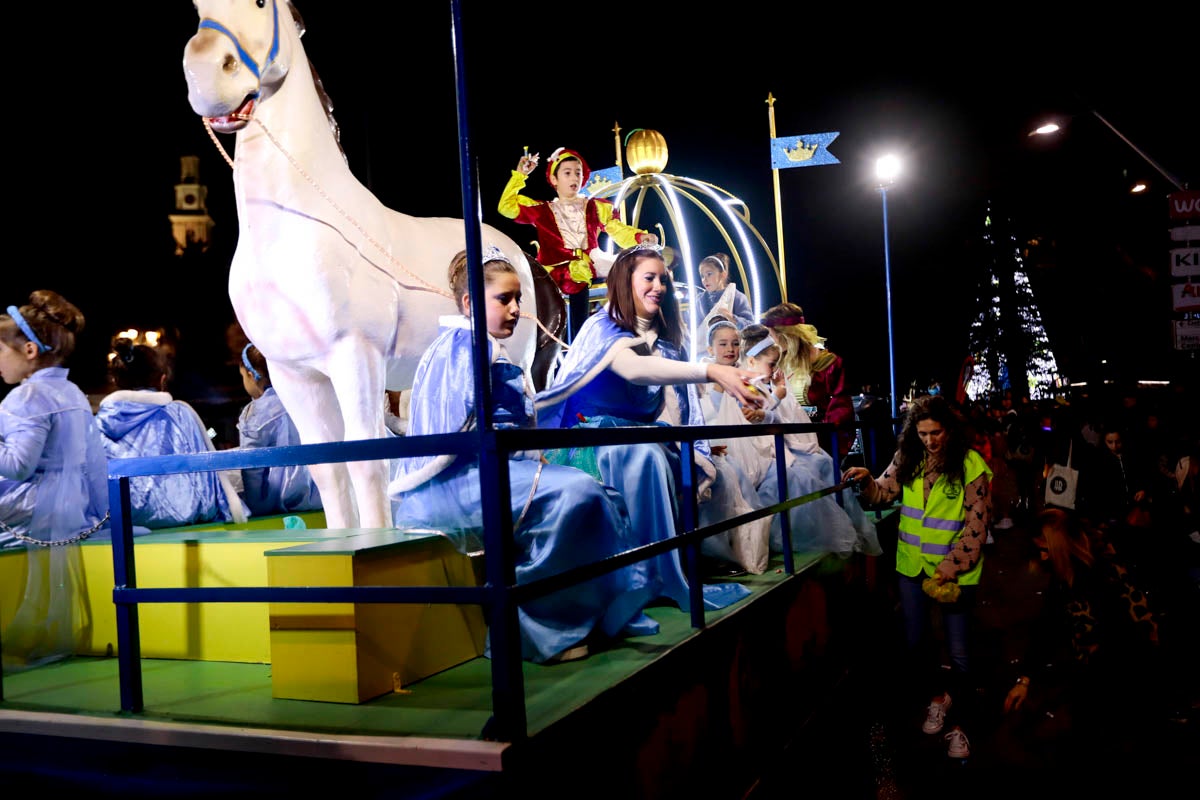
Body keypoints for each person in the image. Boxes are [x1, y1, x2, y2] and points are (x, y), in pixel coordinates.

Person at [388, 247, 650, 663]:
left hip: (493, 466)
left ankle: (587, 615)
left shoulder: (473, 345)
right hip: (464, 478)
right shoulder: (465, 347)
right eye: (503, 299)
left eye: (517, 300)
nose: (515, 310)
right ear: (471, 302)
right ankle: (535, 629)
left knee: (593, 489)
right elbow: (462, 427)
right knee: (574, 494)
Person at [534, 243, 763, 613]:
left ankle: (664, 574)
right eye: (649, 278)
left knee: (676, 459)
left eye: (663, 280)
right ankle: (633, 580)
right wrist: (710, 369)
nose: (659, 286)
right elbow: (634, 371)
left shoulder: (667, 343)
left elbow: (674, 409)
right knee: (646, 458)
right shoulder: (601, 326)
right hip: (590, 442)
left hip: (637, 438)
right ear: (626, 282)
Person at [842, 394, 992, 759]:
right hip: (911, 568)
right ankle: (937, 700)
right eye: (923, 433)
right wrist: (865, 480)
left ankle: (962, 726)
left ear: (950, 430)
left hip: (956, 574)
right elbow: (882, 491)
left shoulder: (972, 465)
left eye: (936, 432)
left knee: (960, 653)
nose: (930, 440)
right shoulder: (907, 459)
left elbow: (977, 525)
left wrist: (950, 566)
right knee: (917, 643)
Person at [998, 507, 1166, 766]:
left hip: (1128, 672)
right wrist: (1025, 680)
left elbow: (1125, 638)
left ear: (1061, 546)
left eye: (1045, 550)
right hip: (1098, 673)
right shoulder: (1064, 576)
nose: (1042, 558)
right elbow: (1047, 627)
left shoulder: (1099, 576)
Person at [0, 291, 109, 671]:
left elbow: (16, 465)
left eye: (1, 351)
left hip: (37, 503)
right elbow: (94, 464)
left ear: (29, 351)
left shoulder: (26, 396)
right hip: (71, 501)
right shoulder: (72, 391)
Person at [713, 324, 879, 560]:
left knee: (822, 463)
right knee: (801, 477)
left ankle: (849, 527)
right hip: (755, 453)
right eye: (770, 365)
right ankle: (801, 538)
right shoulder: (745, 384)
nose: (773, 370)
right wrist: (777, 396)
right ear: (752, 362)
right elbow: (759, 413)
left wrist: (775, 398)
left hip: (770, 447)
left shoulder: (760, 383)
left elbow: (766, 415)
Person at [498, 147, 658, 340]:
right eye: (567, 173)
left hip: (588, 267)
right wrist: (520, 176)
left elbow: (617, 229)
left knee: (626, 272)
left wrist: (641, 237)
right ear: (554, 180)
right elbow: (506, 207)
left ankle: (619, 334)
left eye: (578, 173)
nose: (574, 178)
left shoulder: (595, 207)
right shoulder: (542, 210)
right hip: (553, 271)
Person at [95, 335, 248, 529]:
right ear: (162, 380)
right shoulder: (181, 413)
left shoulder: (100, 423)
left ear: (115, 380)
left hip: (124, 520)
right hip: (186, 514)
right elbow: (208, 472)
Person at [235, 343, 323, 517]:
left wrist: (256, 508)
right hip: (320, 496)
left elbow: (252, 469)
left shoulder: (255, 414)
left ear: (251, 376)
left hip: (278, 502)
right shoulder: (310, 398)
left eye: (243, 376)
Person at [761, 302, 855, 451]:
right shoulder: (775, 364)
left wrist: (825, 446)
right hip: (783, 440)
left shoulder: (828, 364)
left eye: (771, 335)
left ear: (786, 336)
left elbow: (841, 412)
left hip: (819, 443)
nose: (770, 341)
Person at [695, 252, 754, 330]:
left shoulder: (737, 297)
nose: (704, 280)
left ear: (723, 274)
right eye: (702, 276)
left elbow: (751, 326)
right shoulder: (700, 300)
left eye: (709, 274)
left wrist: (732, 318)